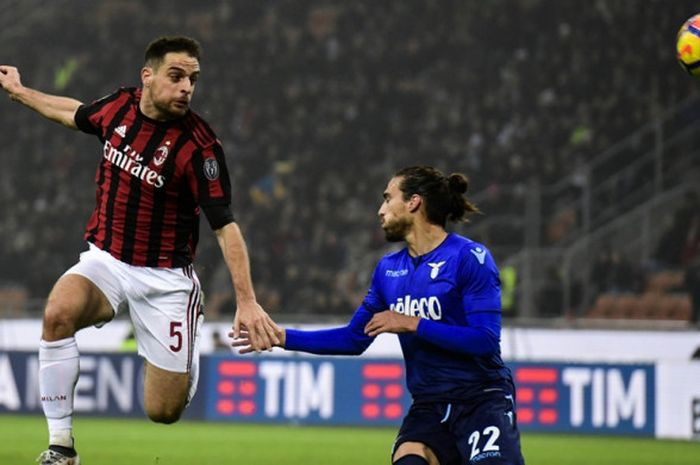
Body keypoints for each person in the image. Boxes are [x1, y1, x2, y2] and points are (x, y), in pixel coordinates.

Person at [0, 36, 280, 465]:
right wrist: (20, 93)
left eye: (193, 79)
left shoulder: (200, 147)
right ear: (147, 77)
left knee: (162, 412)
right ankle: (62, 447)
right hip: (107, 259)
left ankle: (180, 357)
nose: (187, 87)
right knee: (58, 313)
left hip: (165, 280)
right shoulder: (119, 107)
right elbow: (73, 113)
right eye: (176, 76)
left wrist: (247, 301)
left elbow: (225, 227)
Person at [234, 166, 525, 465]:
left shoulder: (469, 258)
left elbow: (485, 341)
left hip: (481, 401)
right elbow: (352, 339)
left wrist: (411, 323)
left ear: (414, 202)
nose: (380, 210)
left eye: (388, 199)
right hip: (428, 408)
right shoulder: (388, 270)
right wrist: (281, 337)